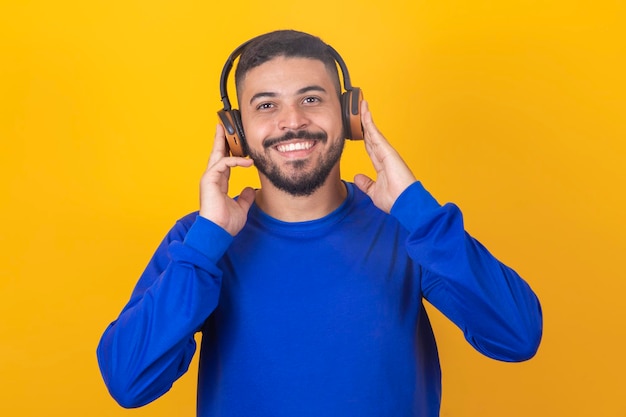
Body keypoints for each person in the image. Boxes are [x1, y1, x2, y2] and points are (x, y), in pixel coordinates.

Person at [97, 30, 542, 417]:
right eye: (266, 105)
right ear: (236, 131)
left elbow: (516, 336)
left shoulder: (409, 228)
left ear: (350, 115)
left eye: (311, 99)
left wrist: (417, 208)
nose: (292, 122)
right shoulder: (201, 241)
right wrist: (206, 244)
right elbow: (129, 382)